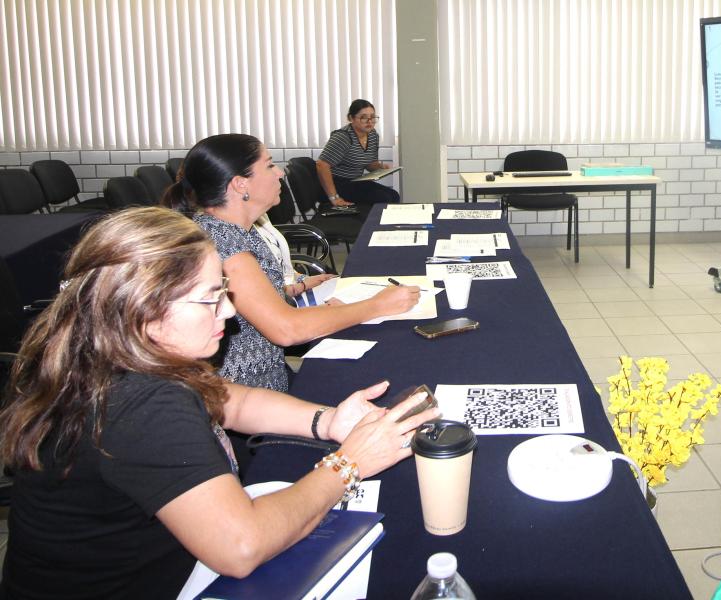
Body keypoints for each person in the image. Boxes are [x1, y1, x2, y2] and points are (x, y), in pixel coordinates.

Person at [0, 206, 438, 598]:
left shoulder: (115, 348)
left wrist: (327, 420)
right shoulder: (139, 401)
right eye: (211, 297)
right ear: (143, 309)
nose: (229, 311)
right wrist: (349, 463)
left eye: (223, 289)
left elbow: (232, 401)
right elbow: (242, 546)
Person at [163, 134, 419, 392]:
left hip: (268, 378)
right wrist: (378, 305)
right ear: (241, 184)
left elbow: (255, 300)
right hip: (252, 392)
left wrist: (297, 289)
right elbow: (286, 329)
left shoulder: (235, 230)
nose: (280, 172)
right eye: (269, 165)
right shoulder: (224, 244)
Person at [316, 99, 400, 214]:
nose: (370, 122)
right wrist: (334, 198)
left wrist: (381, 167)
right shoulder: (343, 137)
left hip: (355, 181)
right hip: (337, 183)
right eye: (364, 117)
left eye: (373, 117)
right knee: (384, 198)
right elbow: (321, 165)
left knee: (394, 196)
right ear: (351, 118)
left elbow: (369, 164)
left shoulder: (373, 135)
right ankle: (373, 224)